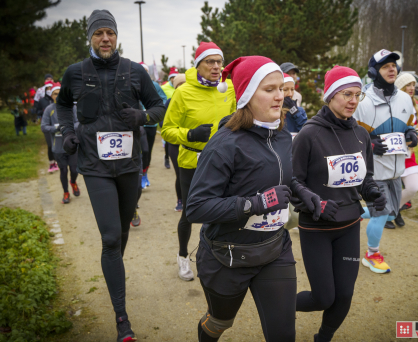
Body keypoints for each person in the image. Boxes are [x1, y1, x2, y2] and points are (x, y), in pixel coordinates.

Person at [187, 56, 322, 342]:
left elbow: (286, 178)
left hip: (274, 249)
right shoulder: (224, 144)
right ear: (247, 94)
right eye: (269, 89)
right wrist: (254, 204)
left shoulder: (283, 135)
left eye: (282, 89)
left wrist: (304, 193)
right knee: (220, 323)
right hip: (227, 255)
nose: (280, 96)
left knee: (283, 334)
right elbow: (196, 207)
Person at [56, 10, 166, 341]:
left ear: (117, 37)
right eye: (99, 33)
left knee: (119, 234)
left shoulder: (134, 71)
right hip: (95, 166)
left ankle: (113, 264)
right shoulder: (75, 73)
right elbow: (63, 105)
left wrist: (143, 115)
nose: (106, 38)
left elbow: (159, 105)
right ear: (90, 37)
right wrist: (66, 132)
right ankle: (122, 319)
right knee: (110, 238)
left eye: (110, 33)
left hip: (130, 165)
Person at [292, 66, 386, 342]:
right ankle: (277, 303)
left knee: (344, 294)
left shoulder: (361, 134)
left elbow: (364, 178)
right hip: (316, 228)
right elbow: (292, 181)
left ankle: (323, 337)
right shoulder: (309, 134)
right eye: (346, 94)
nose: (353, 100)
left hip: (349, 225)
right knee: (324, 297)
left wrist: (372, 191)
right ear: (330, 95)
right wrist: (316, 203)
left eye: (358, 95)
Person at [161, 42, 236, 281]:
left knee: (224, 209)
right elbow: (167, 130)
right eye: (209, 62)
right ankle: (183, 257)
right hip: (192, 160)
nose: (216, 67)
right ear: (198, 65)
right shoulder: (184, 92)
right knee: (190, 214)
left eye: (218, 62)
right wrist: (190, 135)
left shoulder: (229, 88)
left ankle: (220, 255)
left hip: (224, 160)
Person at [353, 49, 418, 274]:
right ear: (374, 72)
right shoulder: (363, 100)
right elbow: (350, 134)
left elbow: (410, 124)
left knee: (391, 212)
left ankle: (348, 214)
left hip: (396, 170)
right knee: (381, 214)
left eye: (393, 65)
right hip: (373, 173)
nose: (392, 69)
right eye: (385, 66)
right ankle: (372, 255)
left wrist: (411, 134)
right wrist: (369, 143)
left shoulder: (405, 99)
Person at [384, 72, 418, 227]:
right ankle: (388, 213)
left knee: (413, 187)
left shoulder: (414, 104)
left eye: (413, 85)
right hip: (394, 153)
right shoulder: (391, 104)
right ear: (400, 86)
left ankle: (394, 210)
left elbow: (414, 128)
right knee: (394, 188)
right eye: (408, 85)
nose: (412, 88)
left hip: (409, 153)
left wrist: (417, 134)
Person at [41, 82, 80, 204]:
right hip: (58, 147)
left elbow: (79, 123)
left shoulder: (72, 107)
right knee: (63, 171)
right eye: (55, 94)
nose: (57, 96)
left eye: (59, 93)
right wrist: (56, 128)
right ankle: (66, 192)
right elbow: (44, 127)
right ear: (51, 96)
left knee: (74, 170)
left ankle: (73, 182)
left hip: (72, 145)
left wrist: (67, 128)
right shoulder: (49, 110)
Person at [138, 62, 168, 188]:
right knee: (138, 150)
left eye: (145, 71)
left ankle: (145, 173)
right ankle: (137, 175)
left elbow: (163, 100)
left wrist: (152, 111)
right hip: (137, 124)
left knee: (147, 151)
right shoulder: (130, 84)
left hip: (150, 124)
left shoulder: (154, 85)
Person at [162, 74, 186, 212]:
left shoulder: (193, 100)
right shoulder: (169, 102)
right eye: (179, 85)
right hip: (175, 145)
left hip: (191, 145)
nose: (182, 88)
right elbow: (162, 123)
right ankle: (180, 200)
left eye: (185, 85)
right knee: (180, 174)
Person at [38, 82, 59, 173]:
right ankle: (51, 163)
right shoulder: (43, 100)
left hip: (58, 127)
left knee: (58, 144)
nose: (50, 89)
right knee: (50, 145)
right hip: (48, 126)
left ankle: (58, 162)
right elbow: (38, 109)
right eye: (48, 88)